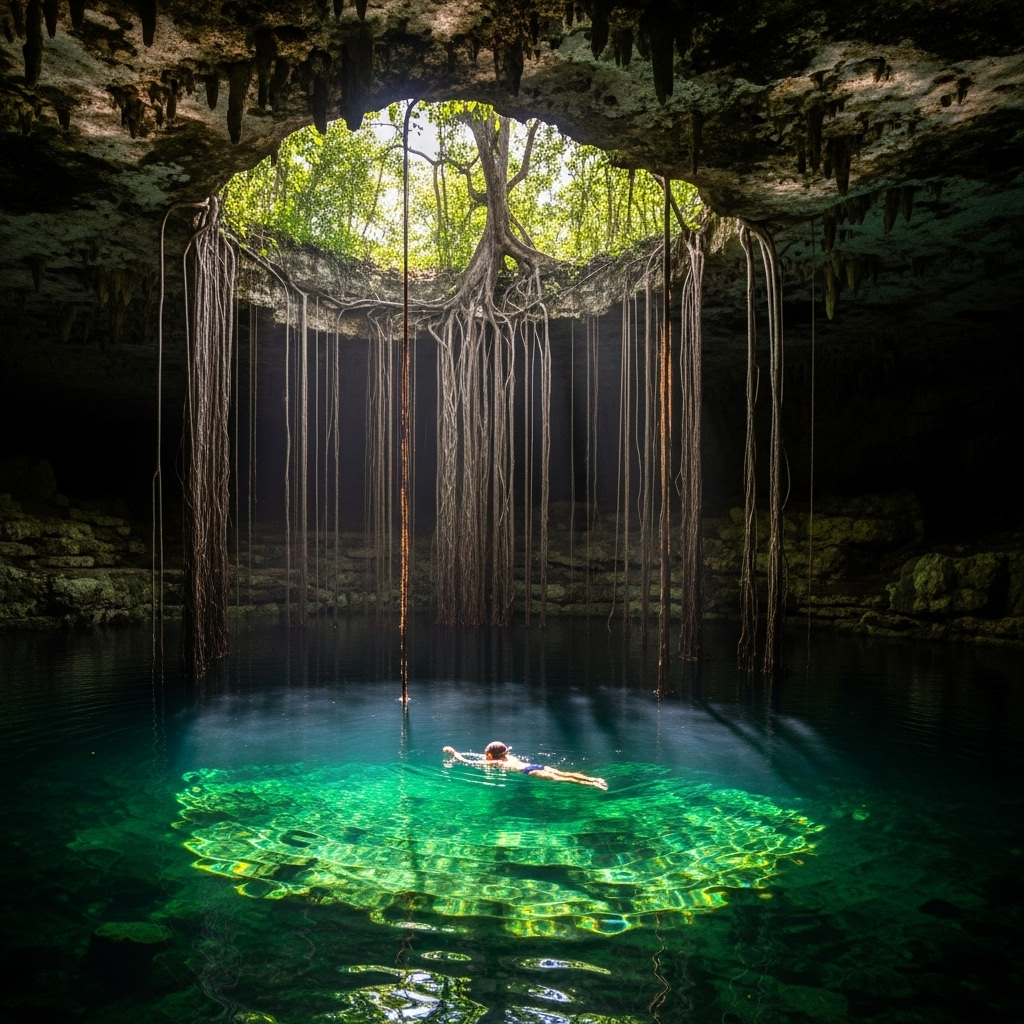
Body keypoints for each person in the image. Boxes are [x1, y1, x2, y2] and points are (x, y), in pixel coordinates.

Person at [442, 741, 608, 790]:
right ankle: (594, 779)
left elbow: (468, 762)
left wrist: (454, 753)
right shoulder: (508, 757)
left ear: (490, 755)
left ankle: (594, 785)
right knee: (563, 774)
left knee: (562, 780)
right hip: (535, 765)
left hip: (530, 772)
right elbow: (478, 757)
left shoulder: (496, 762)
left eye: (486, 754)